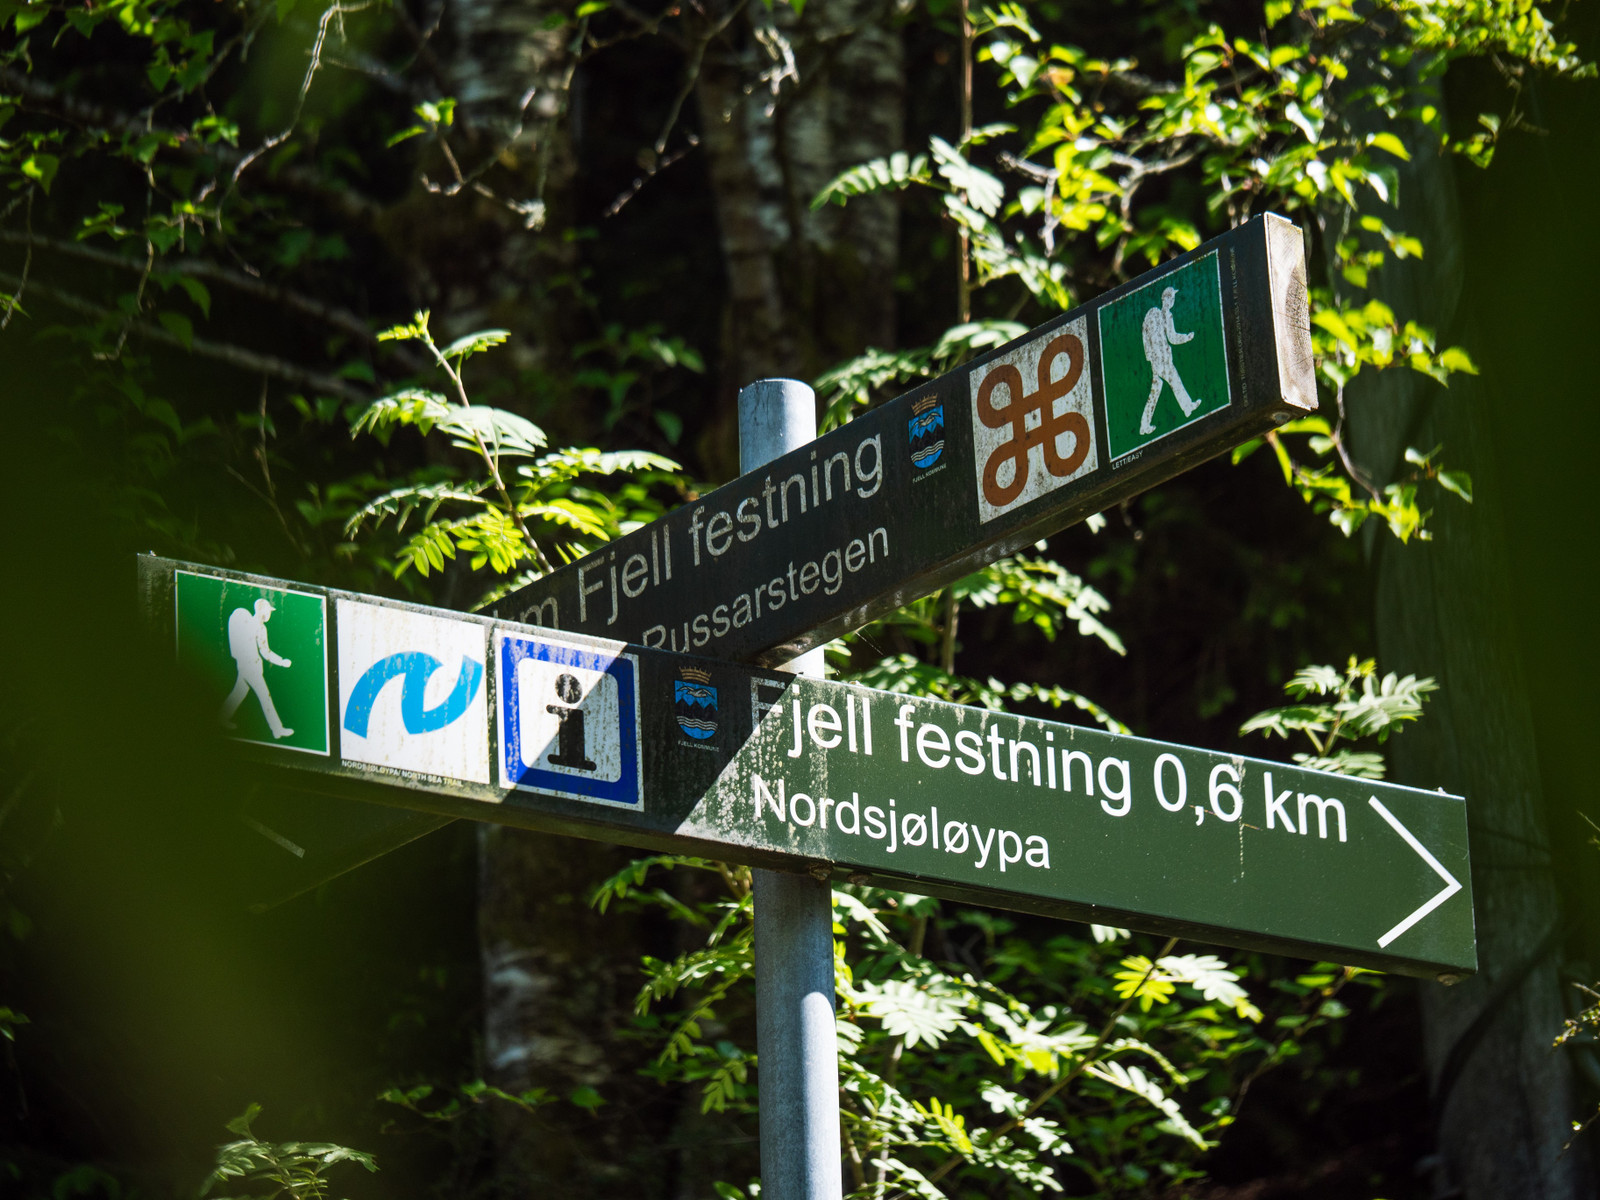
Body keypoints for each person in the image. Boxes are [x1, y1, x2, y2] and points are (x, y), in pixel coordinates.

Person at [219, 597, 294, 739]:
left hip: (255, 667)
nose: (270, 614)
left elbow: (265, 651)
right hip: (248, 667)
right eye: (268, 610)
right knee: (265, 696)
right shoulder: (247, 623)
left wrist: (282, 661)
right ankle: (277, 729)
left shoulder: (262, 628)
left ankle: (221, 718)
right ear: (261, 611)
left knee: (239, 692)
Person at [1139, 286, 1201, 435]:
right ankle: (1187, 407)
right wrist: (1150, 355)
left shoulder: (1168, 316)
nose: (1171, 301)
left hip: (1165, 357)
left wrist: (1186, 337)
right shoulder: (1153, 313)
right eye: (1169, 298)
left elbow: (1172, 337)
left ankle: (1144, 425)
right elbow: (1145, 332)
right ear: (1164, 299)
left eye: (1173, 298)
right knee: (1175, 380)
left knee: (1155, 392)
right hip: (1158, 360)